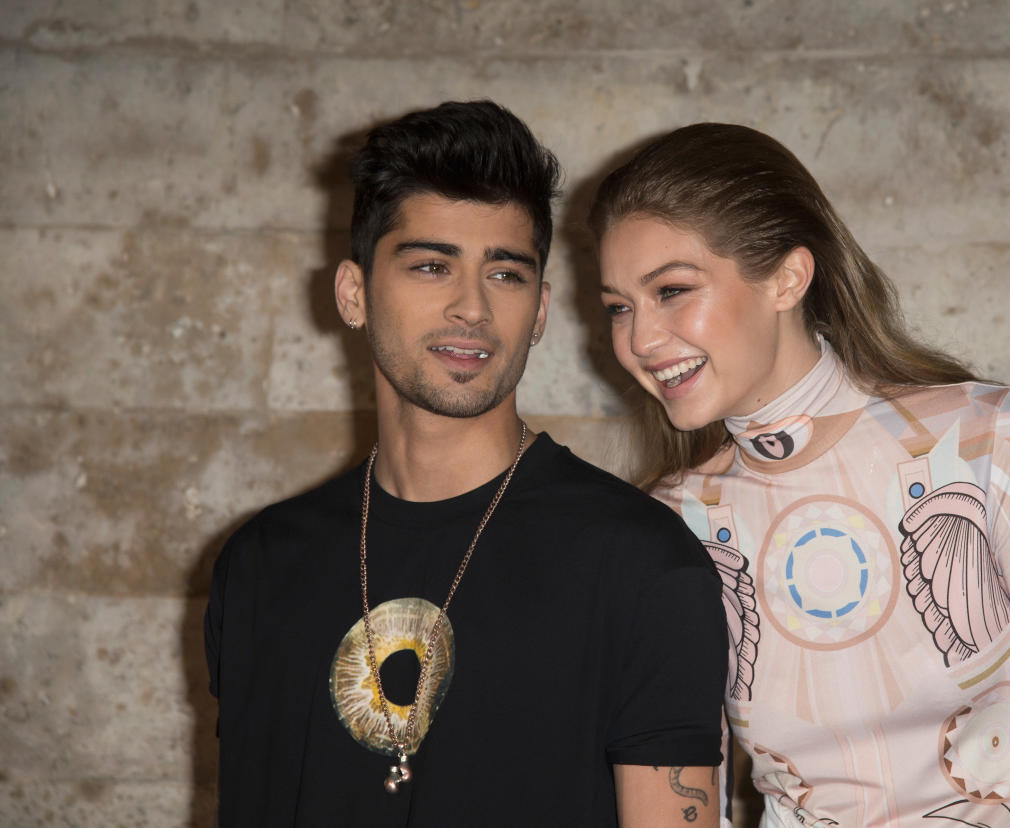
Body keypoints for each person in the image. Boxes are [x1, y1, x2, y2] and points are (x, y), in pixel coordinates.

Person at [590, 123, 1010, 828]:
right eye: (619, 308)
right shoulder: (673, 522)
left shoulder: (988, 437)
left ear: (787, 277)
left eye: (671, 290)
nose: (638, 340)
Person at [205, 100, 728, 827]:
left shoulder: (640, 566)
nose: (472, 309)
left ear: (541, 310)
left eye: (506, 275)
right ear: (353, 293)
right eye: (430, 266)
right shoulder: (259, 566)